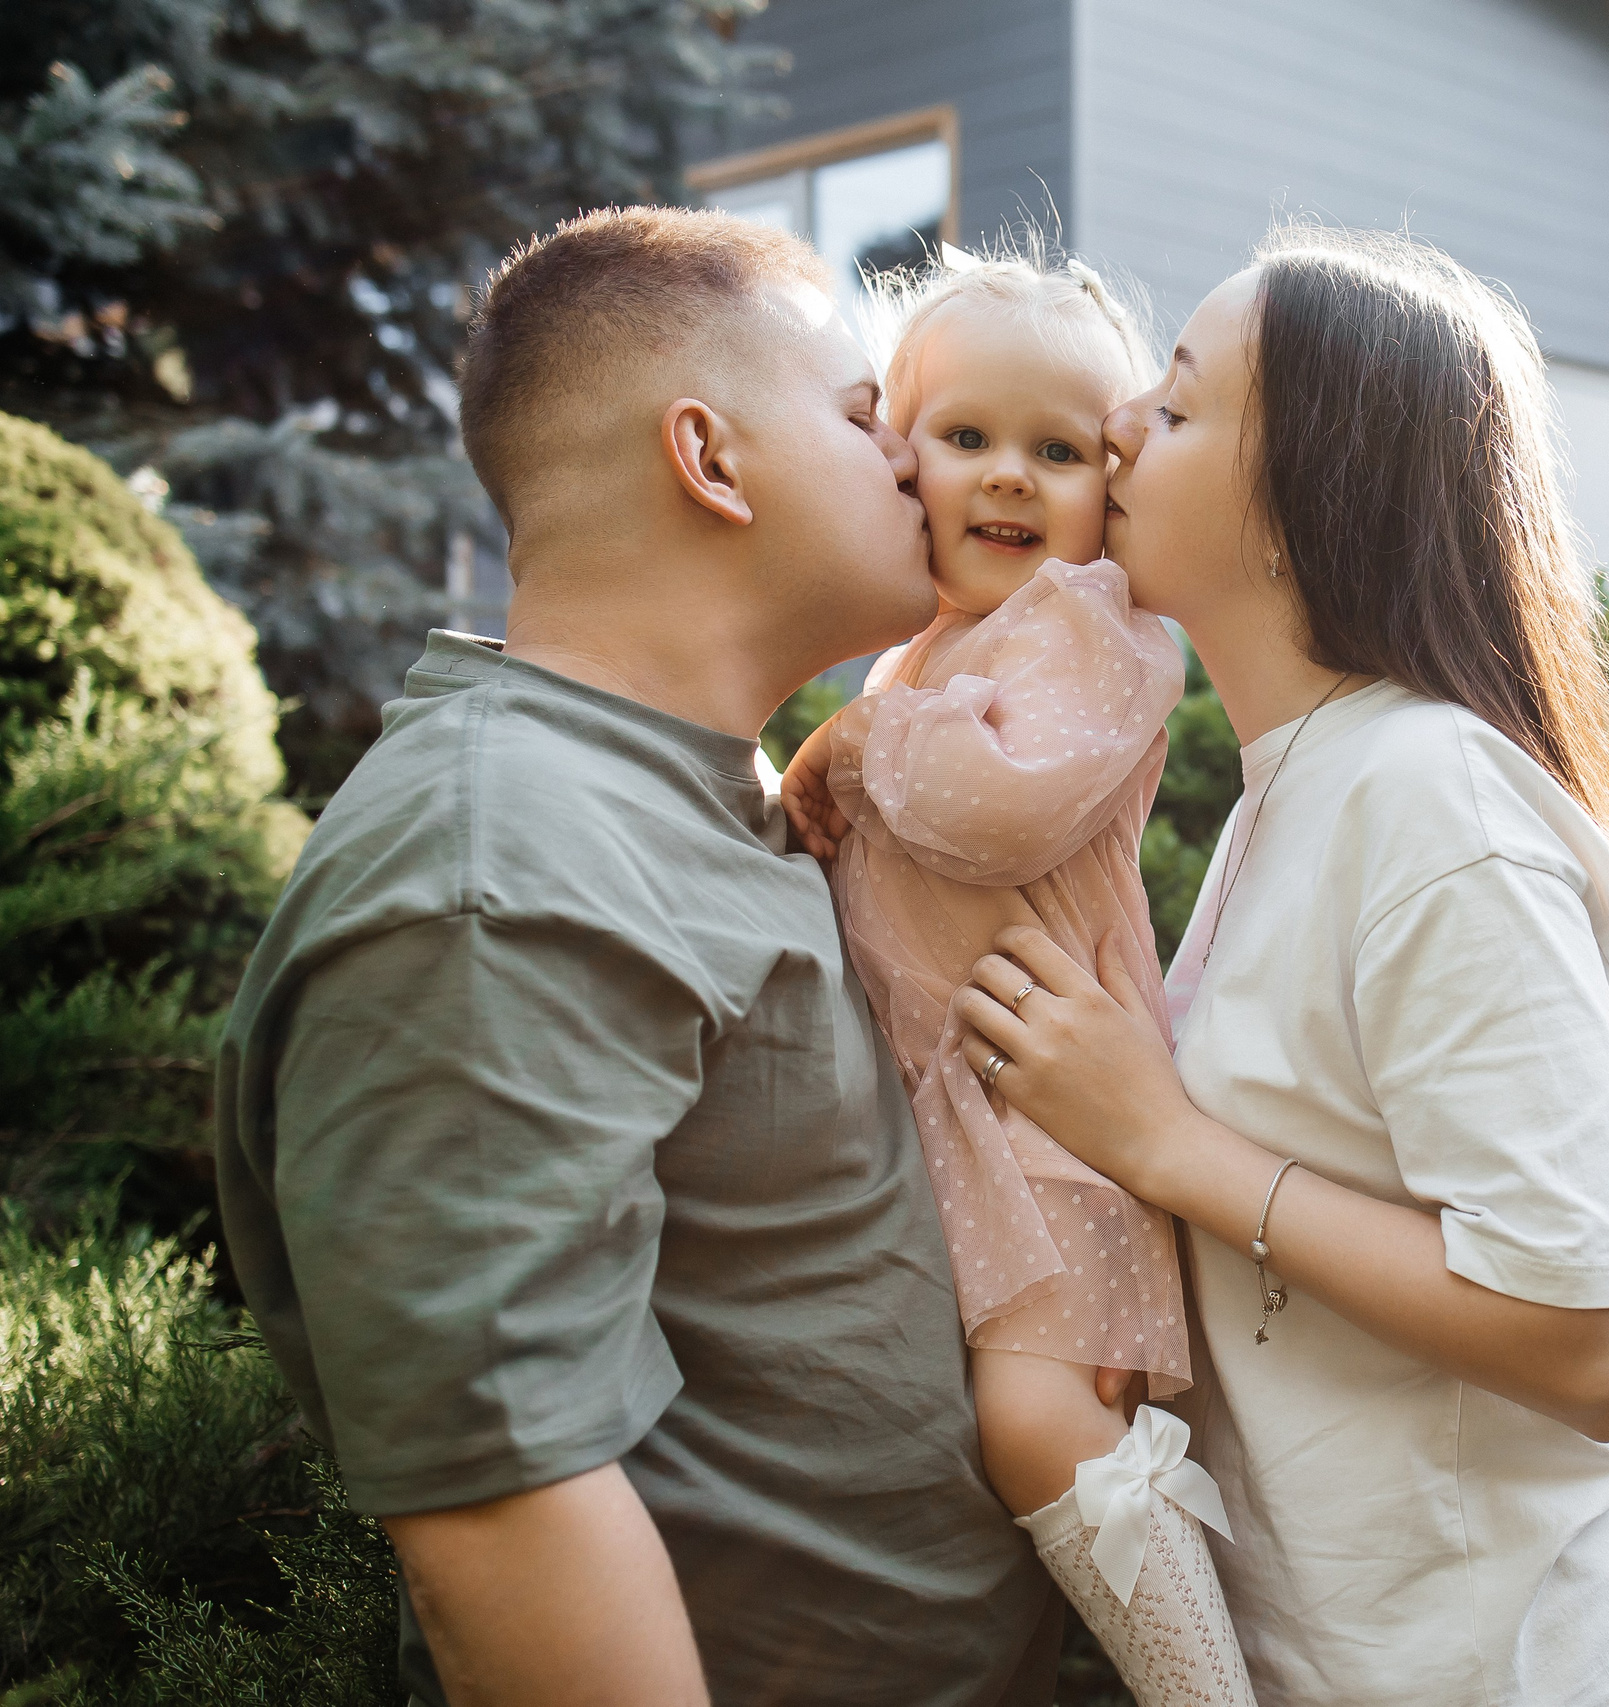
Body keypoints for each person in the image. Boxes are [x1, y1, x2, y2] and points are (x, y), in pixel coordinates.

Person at [212, 206, 1056, 1707]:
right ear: (710, 457)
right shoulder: (497, 866)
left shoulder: (700, 794)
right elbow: (504, 1521)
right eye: (870, 418)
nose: (916, 462)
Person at [942, 224, 1609, 1707]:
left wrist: (1167, 1144)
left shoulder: (1427, 797)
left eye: (1182, 405)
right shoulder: (1302, 790)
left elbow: (1591, 1339)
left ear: (1295, 504)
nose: (1123, 422)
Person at [779, 248, 1255, 1705]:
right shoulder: (919, 652)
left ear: (1107, 489)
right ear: (893, 457)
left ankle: (1204, 1692)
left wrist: (851, 750)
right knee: (990, 1434)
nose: (1006, 479)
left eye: (1057, 451)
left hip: (1052, 1123)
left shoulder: (1100, 631)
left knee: (1040, 1425)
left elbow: (997, 804)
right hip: (955, 1123)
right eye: (965, 438)